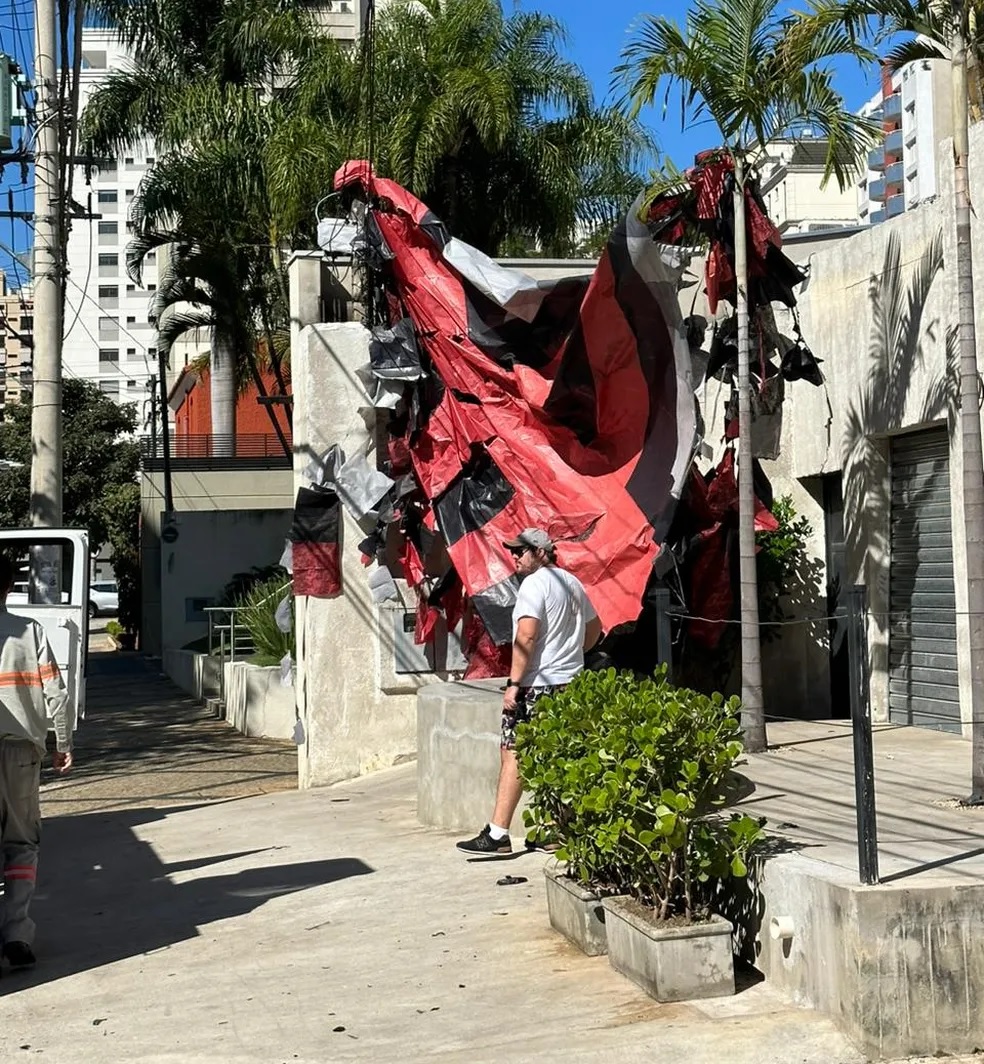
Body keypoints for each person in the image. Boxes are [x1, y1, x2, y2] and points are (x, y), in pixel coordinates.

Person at [456, 528, 600, 855]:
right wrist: (572, 653)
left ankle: (497, 834)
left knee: (514, 751)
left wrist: (513, 685)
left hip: (537, 684)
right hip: (570, 683)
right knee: (555, 754)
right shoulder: (572, 583)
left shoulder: (534, 584)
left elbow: (527, 636)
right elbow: (594, 628)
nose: (514, 557)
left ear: (540, 553)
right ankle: (553, 830)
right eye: (513, 551)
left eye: (520, 551)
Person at [0, 554, 73, 972]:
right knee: (21, 844)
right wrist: (62, 742)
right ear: (9, 587)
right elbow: (56, 694)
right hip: (21, 754)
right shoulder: (30, 632)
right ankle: (16, 932)